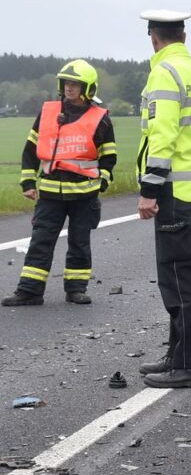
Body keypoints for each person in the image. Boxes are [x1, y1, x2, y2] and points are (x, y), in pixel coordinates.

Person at [134, 10, 191, 388]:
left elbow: (163, 135)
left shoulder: (164, 74)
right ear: (183, 35)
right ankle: (176, 356)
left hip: (172, 190)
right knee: (180, 272)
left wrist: (149, 189)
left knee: (178, 278)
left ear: (154, 37)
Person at [2, 60, 116, 307]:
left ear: (88, 88)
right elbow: (30, 149)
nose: (69, 88)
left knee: (79, 242)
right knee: (40, 242)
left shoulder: (100, 118)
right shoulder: (49, 112)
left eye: (75, 84)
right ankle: (30, 291)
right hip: (51, 193)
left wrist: (102, 183)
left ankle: (76, 289)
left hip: (84, 194)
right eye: (66, 83)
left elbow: (109, 157)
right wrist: (28, 182)